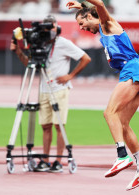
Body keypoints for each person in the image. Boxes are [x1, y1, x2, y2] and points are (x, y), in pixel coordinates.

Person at [66, 0, 139, 190]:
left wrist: (83, 2)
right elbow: (91, 12)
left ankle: (122, 155)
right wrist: (81, 7)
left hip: (132, 70)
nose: (82, 28)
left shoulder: (107, 24)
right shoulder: (99, 26)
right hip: (135, 71)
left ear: (90, 16)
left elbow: (100, 6)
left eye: (82, 24)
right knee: (122, 123)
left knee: (109, 113)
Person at [10, 15, 91, 172]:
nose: (49, 31)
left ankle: (59, 161)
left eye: (52, 27)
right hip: (44, 89)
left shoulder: (64, 43)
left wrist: (70, 76)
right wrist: (18, 50)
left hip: (59, 90)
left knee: (59, 126)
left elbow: (85, 58)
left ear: (57, 28)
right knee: (45, 126)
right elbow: (30, 64)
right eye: (46, 28)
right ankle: (45, 160)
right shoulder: (41, 44)